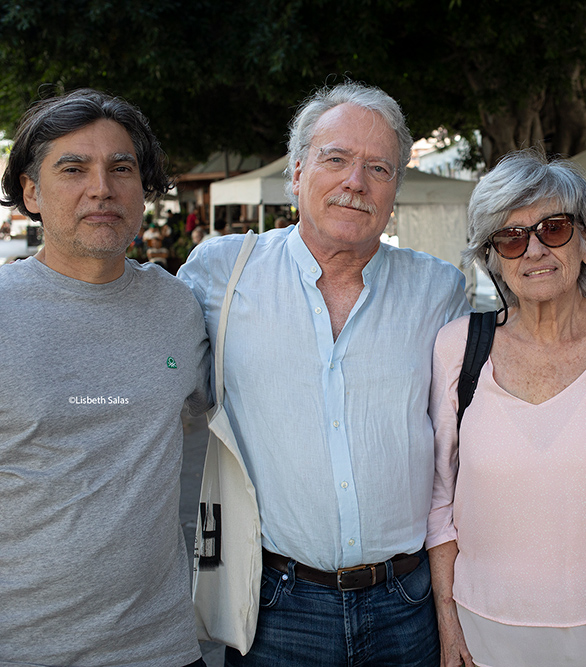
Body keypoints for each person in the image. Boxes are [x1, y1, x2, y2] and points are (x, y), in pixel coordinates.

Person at [178, 82, 470, 666]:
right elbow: (133, 325)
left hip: (406, 606)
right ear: (296, 171)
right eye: (335, 158)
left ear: (394, 192)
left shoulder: (439, 289)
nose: (355, 182)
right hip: (277, 609)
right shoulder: (221, 272)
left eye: (378, 168)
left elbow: (506, 373)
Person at [0, 89, 210, 667]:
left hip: (162, 648)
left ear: (143, 187)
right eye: (73, 168)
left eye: (121, 168)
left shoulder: (180, 308)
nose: (102, 188)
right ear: (31, 192)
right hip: (7, 650)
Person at [426, 152, 586, 667]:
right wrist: (448, 619)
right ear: (492, 257)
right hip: (485, 641)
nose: (534, 249)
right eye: (512, 238)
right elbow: (439, 501)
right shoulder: (458, 348)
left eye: (555, 228)